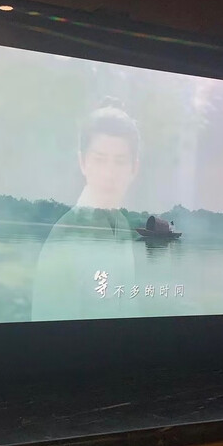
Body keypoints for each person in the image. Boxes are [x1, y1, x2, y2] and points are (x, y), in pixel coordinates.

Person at [31, 98, 141, 321]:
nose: (109, 173)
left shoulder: (122, 224)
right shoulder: (64, 237)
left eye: (120, 161)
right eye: (100, 160)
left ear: (134, 168)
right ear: (82, 162)